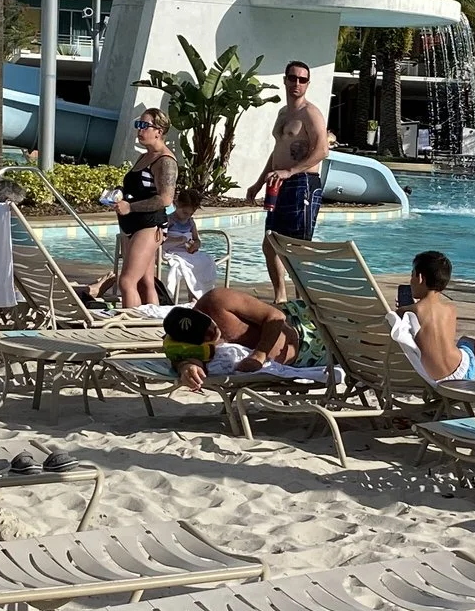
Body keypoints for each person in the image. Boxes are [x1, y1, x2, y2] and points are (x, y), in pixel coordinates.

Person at [247, 60, 329, 297]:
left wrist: (290, 171)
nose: (297, 84)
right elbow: (278, 151)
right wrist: (259, 182)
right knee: (270, 243)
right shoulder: (283, 113)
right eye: (293, 78)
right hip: (278, 183)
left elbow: (322, 150)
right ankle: (280, 297)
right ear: (285, 80)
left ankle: (303, 299)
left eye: (302, 80)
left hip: (302, 183)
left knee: (298, 247)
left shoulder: (310, 114)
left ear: (307, 84)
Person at [163, 288, 299, 390]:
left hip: (302, 324)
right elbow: (181, 359)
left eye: (208, 325)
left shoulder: (217, 300)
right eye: (203, 335)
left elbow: (276, 316)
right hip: (301, 360)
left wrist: (259, 355)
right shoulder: (184, 339)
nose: (210, 333)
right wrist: (185, 367)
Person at [110, 109, 177, 308]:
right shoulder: (145, 157)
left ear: (159, 130)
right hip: (133, 223)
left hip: (149, 225)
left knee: (127, 281)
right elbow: (140, 188)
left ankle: (129, 325)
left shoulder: (165, 161)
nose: (139, 131)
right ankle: (153, 323)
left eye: (144, 126)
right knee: (145, 282)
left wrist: (130, 207)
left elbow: (165, 199)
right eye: (137, 125)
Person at [402, 250, 475, 380]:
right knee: (466, 342)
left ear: (420, 278)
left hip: (432, 378)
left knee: (459, 348)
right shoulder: (451, 309)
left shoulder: (406, 312)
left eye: (412, 276)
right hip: (463, 372)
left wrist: (404, 307)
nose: (410, 281)